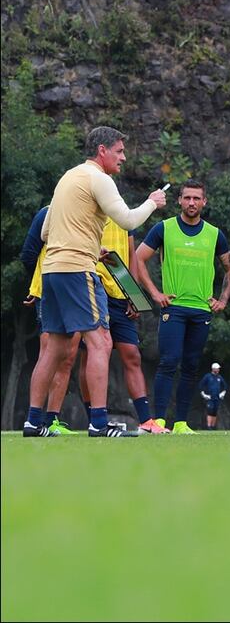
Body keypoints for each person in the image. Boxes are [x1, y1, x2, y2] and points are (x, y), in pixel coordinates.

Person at [25, 126, 166, 438]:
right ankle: (99, 424)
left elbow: (47, 233)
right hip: (78, 270)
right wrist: (152, 202)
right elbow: (128, 220)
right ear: (102, 151)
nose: (123, 157)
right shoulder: (99, 178)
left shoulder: (68, 177)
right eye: (119, 151)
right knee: (101, 341)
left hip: (53, 271)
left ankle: (33, 423)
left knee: (54, 348)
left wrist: (88, 242)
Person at [135, 178, 230, 435]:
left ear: (204, 202)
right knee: (169, 362)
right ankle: (158, 421)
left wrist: (223, 300)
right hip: (174, 308)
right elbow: (138, 258)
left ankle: (180, 423)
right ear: (179, 200)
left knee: (191, 366)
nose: (192, 203)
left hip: (201, 310)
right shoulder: (164, 228)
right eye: (187, 198)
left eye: (197, 198)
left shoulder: (214, 234)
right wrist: (155, 293)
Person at [21, 206, 84, 436]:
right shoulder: (47, 212)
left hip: (78, 289)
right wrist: (37, 286)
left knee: (68, 358)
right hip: (49, 289)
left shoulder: (90, 212)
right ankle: (34, 420)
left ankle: (52, 420)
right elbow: (28, 254)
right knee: (49, 353)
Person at [200, 363, 227, 429]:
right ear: (213, 369)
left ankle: (213, 426)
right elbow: (201, 385)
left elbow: (225, 386)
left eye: (218, 369)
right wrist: (204, 394)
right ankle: (209, 426)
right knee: (210, 410)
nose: (218, 370)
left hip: (217, 397)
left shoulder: (219, 377)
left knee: (215, 411)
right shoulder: (208, 376)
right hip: (210, 397)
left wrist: (223, 393)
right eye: (217, 368)